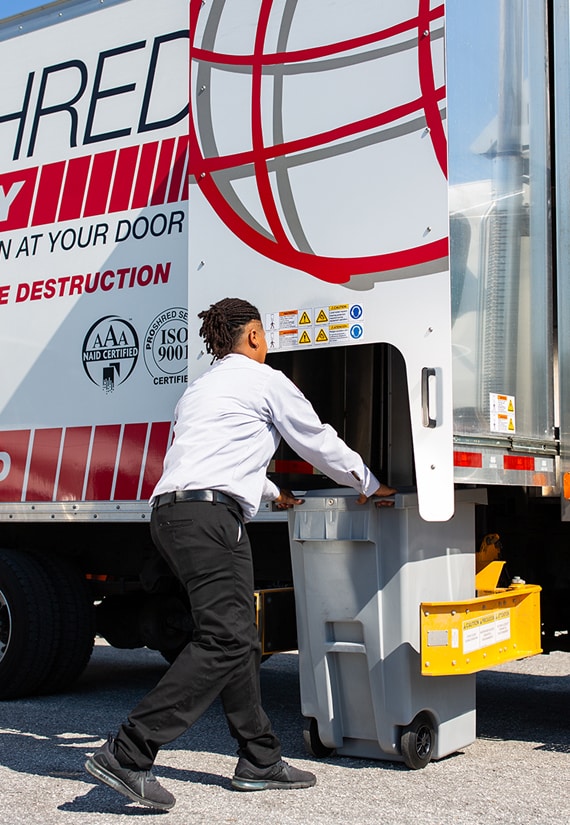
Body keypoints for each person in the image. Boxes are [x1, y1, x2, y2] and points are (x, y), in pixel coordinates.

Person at [85, 297, 396, 811]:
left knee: (238, 638)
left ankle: (259, 759)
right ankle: (129, 752)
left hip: (174, 513)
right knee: (226, 639)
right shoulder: (264, 379)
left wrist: (273, 493)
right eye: (266, 335)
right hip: (209, 519)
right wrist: (369, 482)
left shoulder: (200, 390)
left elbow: (218, 455)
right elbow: (316, 439)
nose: (268, 343)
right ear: (252, 335)